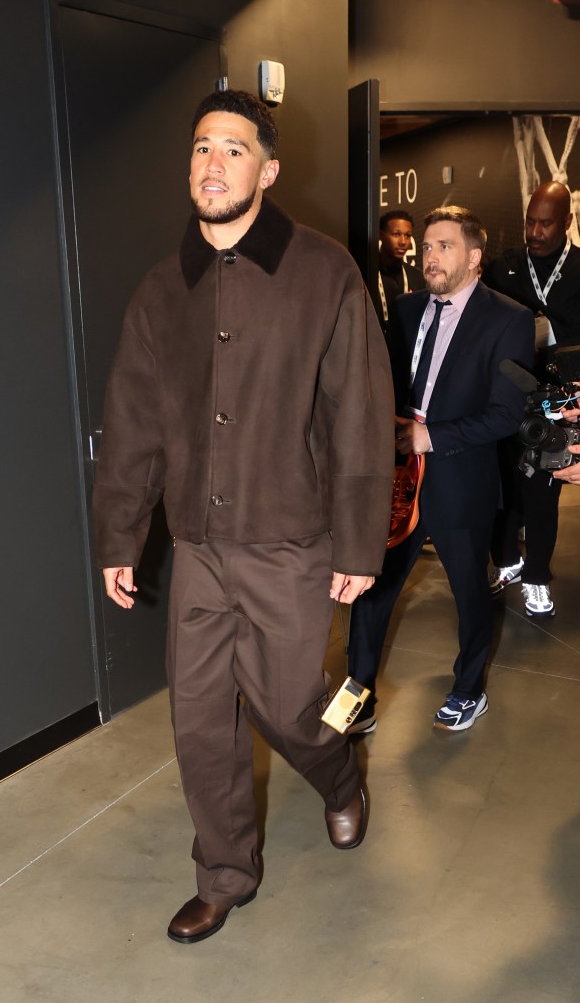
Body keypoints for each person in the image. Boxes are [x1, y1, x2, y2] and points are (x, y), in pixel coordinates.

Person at [92, 89, 395, 944]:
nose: (210, 162)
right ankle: (225, 873)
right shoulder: (160, 291)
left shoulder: (323, 271)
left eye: (231, 148)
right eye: (199, 147)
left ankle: (339, 776)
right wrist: (122, 533)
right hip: (197, 548)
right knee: (197, 721)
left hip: (292, 543)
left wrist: (357, 539)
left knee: (291, 708)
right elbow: (133, 422)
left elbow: (359, 414)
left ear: (265, 169)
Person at [347, 206, 535, 734]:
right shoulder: (405, 311)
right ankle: (358, 696)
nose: (429, 256)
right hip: (398, 481)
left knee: (470, 592)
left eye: (444, 246)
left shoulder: (508, 319)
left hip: (460, 482)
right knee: (371, 585)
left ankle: (468, 689)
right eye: (427, 246)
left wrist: (431, 436)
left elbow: (507, 412)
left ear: (474, 257)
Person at [483, 181, 580, 617]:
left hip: (560, 400)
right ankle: (508, 559)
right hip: (507, 394)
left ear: (567, 222)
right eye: (530, 222)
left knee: (542, 492)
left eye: (546, 223)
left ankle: (537, 577)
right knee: (501, 484)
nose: (536, 231)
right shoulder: (502, 266)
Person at [377, 210, 425, 326]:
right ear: (381, 235)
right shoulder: (366, 275)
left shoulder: (417, 277)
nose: (403, 242)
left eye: (407, 235)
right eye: (396, 234)